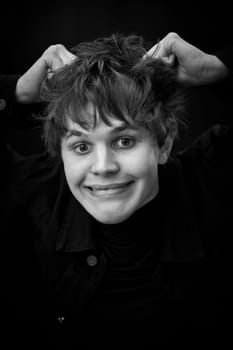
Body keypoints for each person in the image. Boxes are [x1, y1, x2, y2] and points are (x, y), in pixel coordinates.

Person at [0, 32, 232, 346]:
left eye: (124, 141)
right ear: (61, 153)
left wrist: (217, 68)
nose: (103, 166)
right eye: (81, 146)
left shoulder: (212, 179)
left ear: (163, 142)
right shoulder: (32, 192)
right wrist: (15, 93)